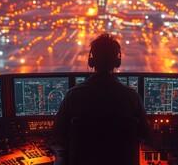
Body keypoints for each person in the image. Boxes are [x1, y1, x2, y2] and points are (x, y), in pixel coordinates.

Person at [53, 33, 150, 163]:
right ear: (117, 62)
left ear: (91, 61)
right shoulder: (132, 97)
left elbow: (59, 137)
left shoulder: (73, 96)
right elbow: (146, 134)